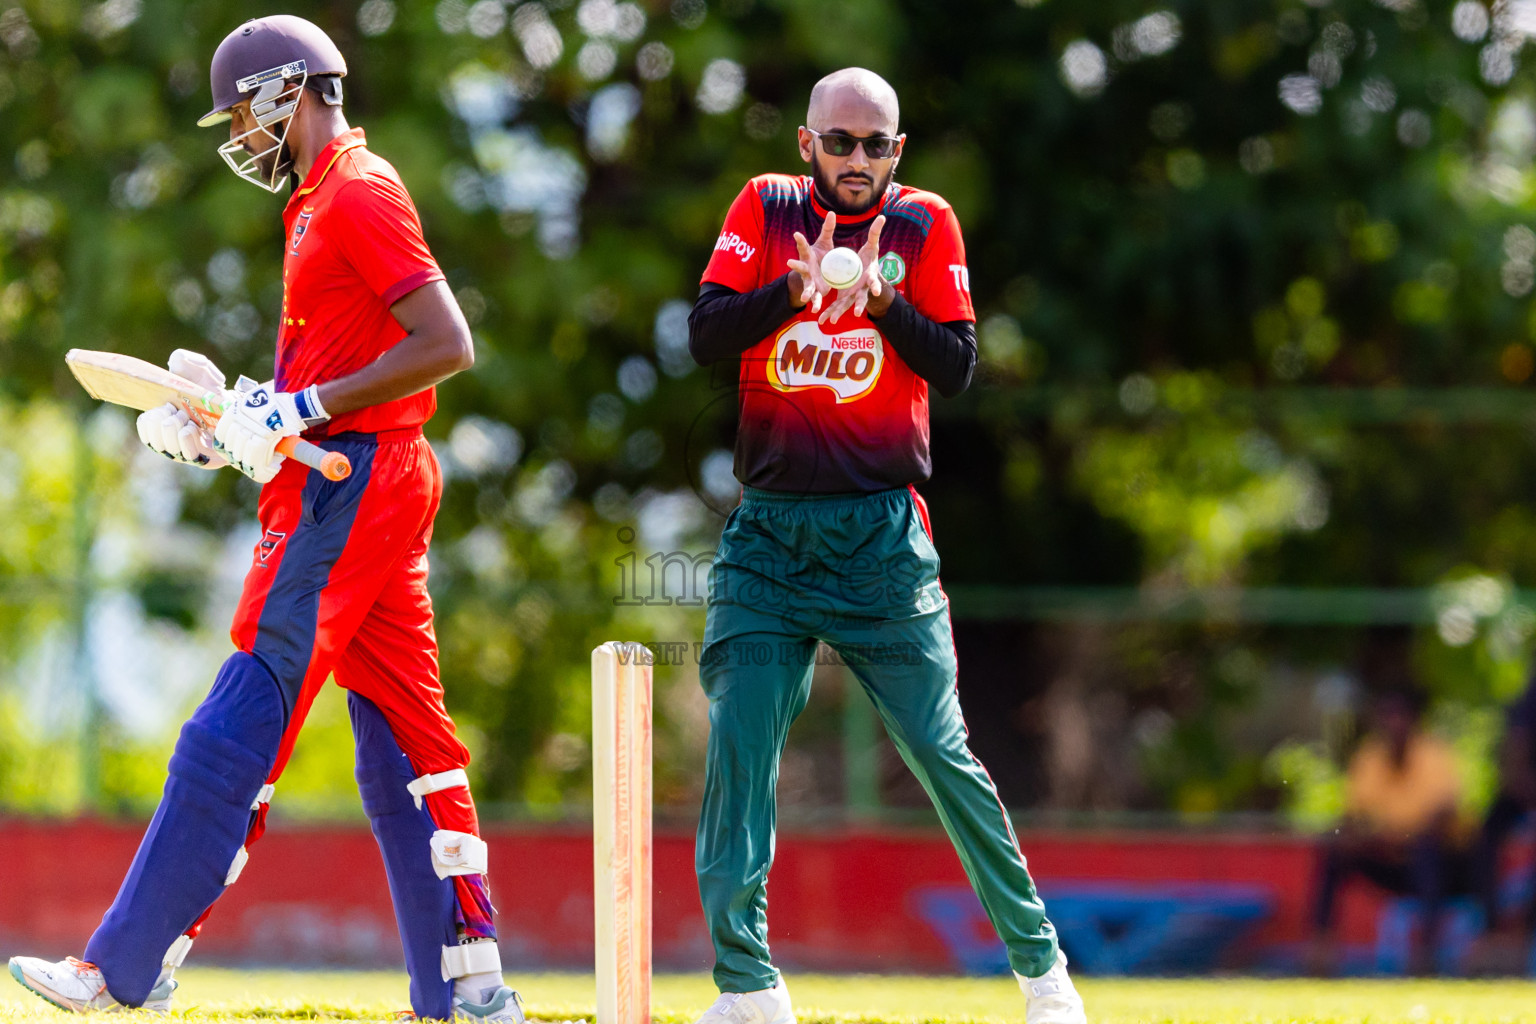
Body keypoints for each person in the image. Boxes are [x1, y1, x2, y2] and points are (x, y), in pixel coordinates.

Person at [7, 16, 522, 1021]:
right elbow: (331, 374)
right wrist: (237, 425)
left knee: (234, 724)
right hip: (358, 474)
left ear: (290, 90)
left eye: (245, 108)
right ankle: (468, 990)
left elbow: (446, 341)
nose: (240, 130)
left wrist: (304, 411)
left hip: (355, 485)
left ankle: (124, 967)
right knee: (408, 745)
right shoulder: (319, 201)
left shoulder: (361, 192)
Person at [685, 68, 1084, 1024]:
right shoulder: (765, 208)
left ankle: (1044, 976)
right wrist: (790, 288)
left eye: (874, 146)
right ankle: (748, 989)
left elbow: (956, 365)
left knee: (944, 757)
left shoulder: (924, 224)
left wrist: (879, 305)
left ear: (896, 153)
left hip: (881, 541)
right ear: (807, 145)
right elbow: (705, 336)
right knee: (738, 745)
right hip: (770, 537)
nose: (855, 161)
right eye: (839, 142)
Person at [1309, 688, 1470, 973]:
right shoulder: (1370, 757)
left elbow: (1442, 818)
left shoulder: (1433, 754)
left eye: (1400, 716)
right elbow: (1354, 817)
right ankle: (1321, 950)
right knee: (1335, 853)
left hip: (1441, 868)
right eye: (1387, 716)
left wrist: (1395, 838)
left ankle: (1425, 953)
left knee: (1426, 852)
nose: (1393, 723)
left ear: (1414, 720)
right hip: (1391, 862)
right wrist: (1354, 838)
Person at [1472, 676, 1536, 953]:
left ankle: (1523, 931)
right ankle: (1492, 928)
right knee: (1486, 837)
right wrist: (1524, 784)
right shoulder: (1529, 699)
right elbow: (1516, 744)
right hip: (1525, 790)